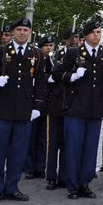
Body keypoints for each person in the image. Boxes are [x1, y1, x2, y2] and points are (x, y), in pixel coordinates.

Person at [53, 18, 103, 199]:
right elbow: (57, 73)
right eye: (93, 33)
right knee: (73, 147)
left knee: (90, 149)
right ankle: (72, 185)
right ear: (86, 35)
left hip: (95, 108)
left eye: (99, 32)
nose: (97, 35)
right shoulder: (74, 53)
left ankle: (85, 183)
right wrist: (71, 76)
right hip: (75, 107)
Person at [0, 18, 42, 202]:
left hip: (24, 111)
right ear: (12, 32)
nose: (22, 33)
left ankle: (12, 186)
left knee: (18, 152)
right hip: (1, 109)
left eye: (26, 30)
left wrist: (37, 106)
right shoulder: (0, 52)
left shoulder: (37, 54)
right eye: (19, 29)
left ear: (30, 32)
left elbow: (40, 83)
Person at [41, 30, 71, 190]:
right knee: (53, 144)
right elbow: (41, 77)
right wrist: (50, 78)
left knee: (67, 143)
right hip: (54, 103)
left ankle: (64, 176)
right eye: (70, 38)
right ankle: (51, 176)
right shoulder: (54, 56)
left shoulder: (80, 57)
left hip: (71, 105)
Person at [24, 35, 55, 179]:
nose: (49, 48)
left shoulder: (53, 61)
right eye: (46, 46)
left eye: (51, 45)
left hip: (47, 103)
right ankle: (29, 167)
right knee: (31, 136)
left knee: (43, 138)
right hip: (33, 102)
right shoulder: (34, 60)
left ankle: (40, 166)